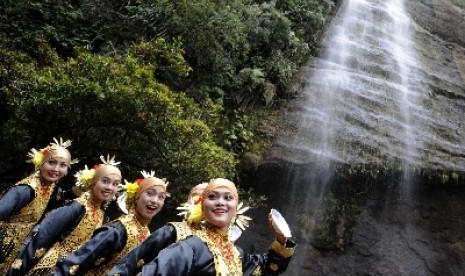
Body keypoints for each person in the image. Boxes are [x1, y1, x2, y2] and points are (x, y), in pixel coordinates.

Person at [139, 178, 296, 276]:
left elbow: (264, 269)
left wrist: (282, 239)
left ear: (236, 208)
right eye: (212, 197)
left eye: (228, 198)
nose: (220, 202)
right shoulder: (189, 247)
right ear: (202, 206)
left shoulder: (236, 254)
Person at [6, 155, 122, 275]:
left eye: (115, 184)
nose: (109, 187)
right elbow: (40, 240)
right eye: (105, 181)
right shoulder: (75, 207)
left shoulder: (101, 214)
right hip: (47, 269)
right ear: (93, 182)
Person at [52, 170, 170, 275]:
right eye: (150, 193)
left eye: (161, 197)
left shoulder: (148, 235)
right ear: (137, 197)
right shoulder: (117, 230)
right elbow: (76, 263)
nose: (155, 201)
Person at [0, 138, 77, 273]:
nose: (56, 169)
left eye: (63, 165)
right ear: (41, 163)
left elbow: (58, 197)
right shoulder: (26, 189)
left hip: (13, 248)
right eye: (51, 163)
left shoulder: (49, 187)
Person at [106, 182, 209, 276]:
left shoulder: (216, 245)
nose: (198, 201)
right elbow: (130, 261)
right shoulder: (172, 231)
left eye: (206, 197)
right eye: (195, 196)